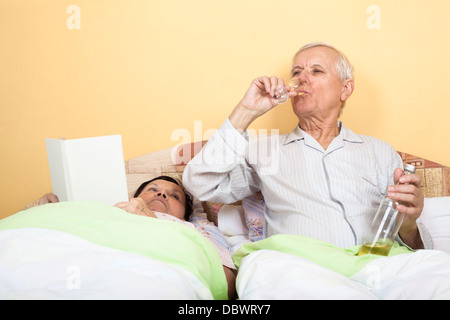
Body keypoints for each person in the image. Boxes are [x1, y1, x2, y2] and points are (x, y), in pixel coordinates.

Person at [182, 41, 431, 250]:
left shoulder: (381, 152)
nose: (301, 79)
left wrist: (408, 225)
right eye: (297, 72)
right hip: (302, 272)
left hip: (379, 268)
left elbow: (419, 250)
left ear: (346, 89)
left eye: (316, 71)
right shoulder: (263, 151)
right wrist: (246, 111)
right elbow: (201, 185)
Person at [35, 175, 236, 299]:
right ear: (135, 197)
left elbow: (226, 283)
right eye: (153, 190)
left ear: (185, 214)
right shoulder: (108, 210)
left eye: (174, 196)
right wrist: (50, 212)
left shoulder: (195, 229)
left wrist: (155, 225)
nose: (162, 195)